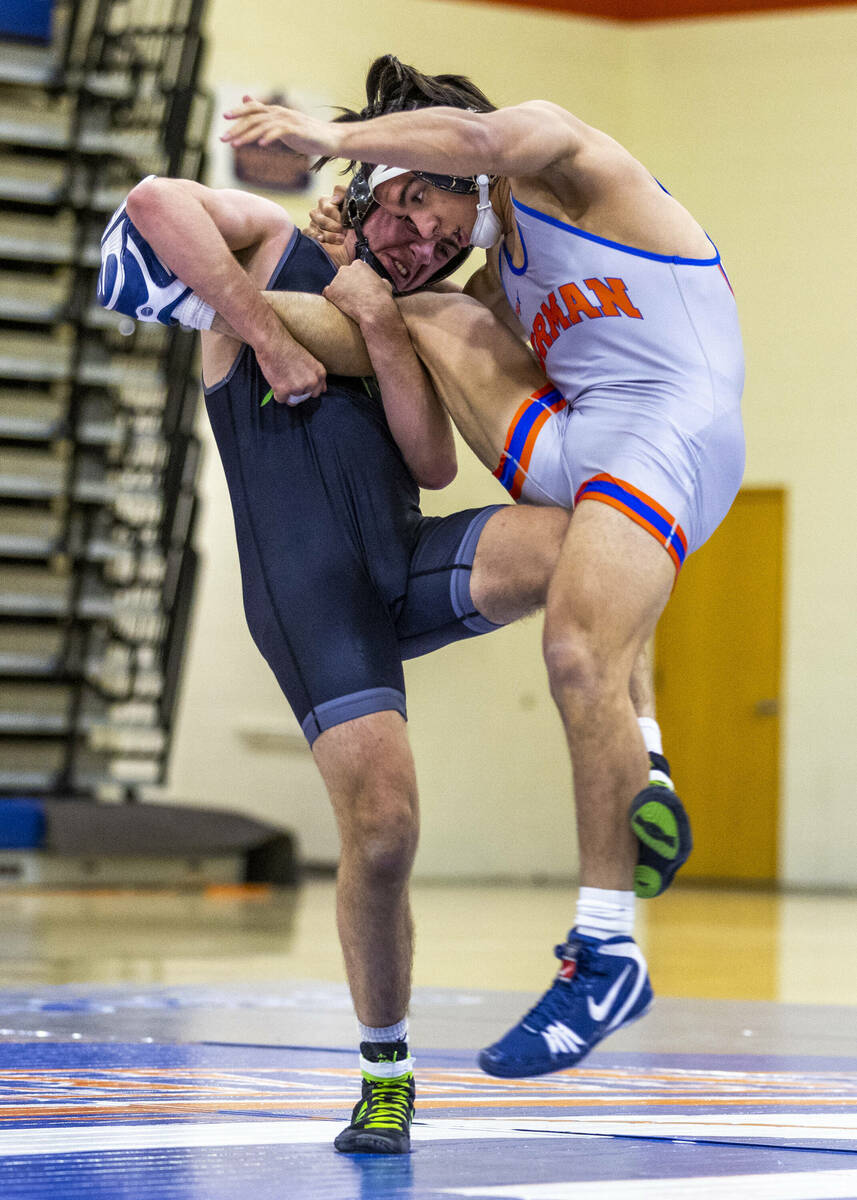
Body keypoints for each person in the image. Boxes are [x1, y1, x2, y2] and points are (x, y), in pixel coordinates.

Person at [220, 53, 743, 1082]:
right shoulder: (485, 275)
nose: (427, 229)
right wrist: (291, 288)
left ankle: (605, 950)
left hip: (665, 421)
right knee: (415, 317)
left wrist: (315, 138)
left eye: (434, 201)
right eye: (400, 209)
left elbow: (476, 141)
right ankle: (649, 760)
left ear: (458, 173)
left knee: (573, 652)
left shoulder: (553, 149)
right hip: (573, 434)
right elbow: (395, 347)